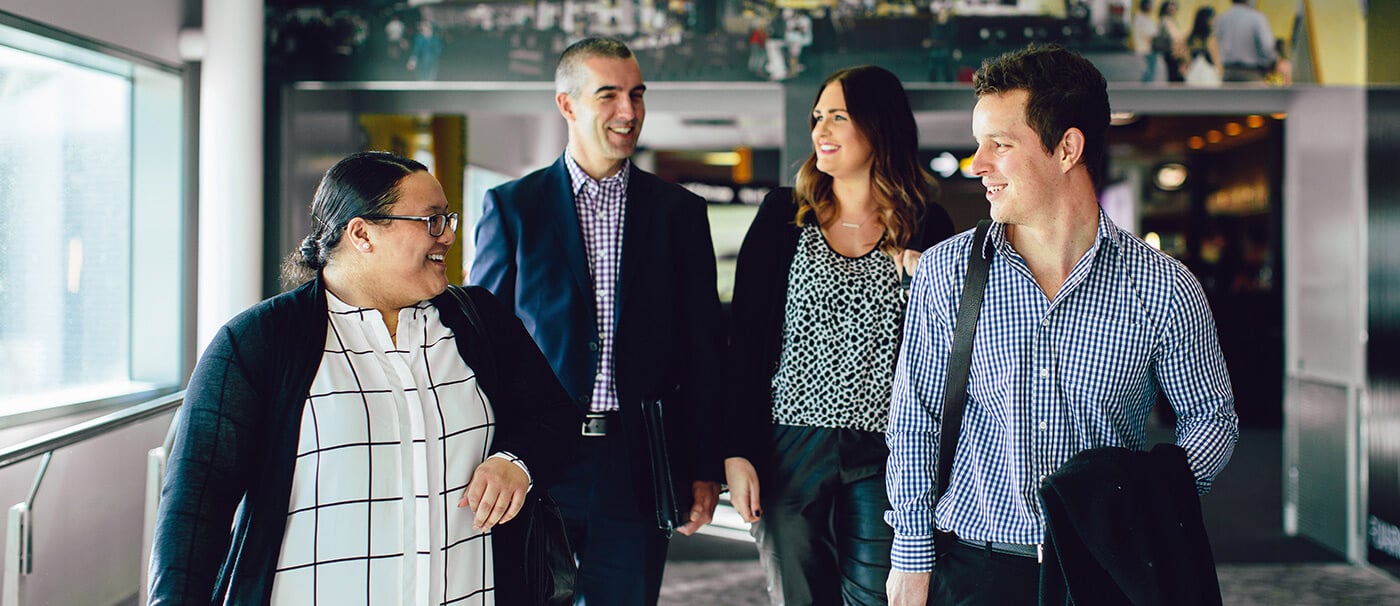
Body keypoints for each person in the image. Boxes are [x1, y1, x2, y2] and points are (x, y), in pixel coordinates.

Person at [884, 44, 1239, 605]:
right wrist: (911, 551)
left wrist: (1134, 511)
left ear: (1067, 148)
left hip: (1103, 573)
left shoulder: (1163, 287)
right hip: (977, 566)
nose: (978, 164)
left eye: (1000, 145)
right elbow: (915, 418)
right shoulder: (948, 272)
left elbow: (1211, 419)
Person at [148, 151, 580, 604]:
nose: (449, 235)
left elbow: (554, 418)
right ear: (362, 234)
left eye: (448, 219)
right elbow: (195, 506)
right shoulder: (259, 342)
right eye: (431, 221)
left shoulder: (479, 321)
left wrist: (516, 462)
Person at [468, 37, 726, 605]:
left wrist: (705, 466)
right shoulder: (513, 208)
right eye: (608, 94)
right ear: (567, 104)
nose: (628, 111)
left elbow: (703, 346)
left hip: (636, 461)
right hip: (534, 456)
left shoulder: (680, 213)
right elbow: (481, 344)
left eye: (636, 94)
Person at [723, 65, 954, 606]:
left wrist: (929, 282)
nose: (821, 130)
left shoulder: (927, 225)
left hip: (888, 448)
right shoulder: (784, 214)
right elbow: (745, 339)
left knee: (881, 596)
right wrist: (736, 451)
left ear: (878, 127)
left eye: (839, 117)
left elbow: (951, 350)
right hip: (789, 443)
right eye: (817, 117)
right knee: (799, 596)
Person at [1215, 0, 1277, 83]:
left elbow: (1215, 45)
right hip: (1251, 72)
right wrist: (1269, 64)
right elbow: (1267, 47)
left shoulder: (1221, 19)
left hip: (1227, 73)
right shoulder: (1257, 18)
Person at [1184, 6, 1223, 84]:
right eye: (1213, 18)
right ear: (1207, 20)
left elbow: (1187, 60)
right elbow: (1217, 61)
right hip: (1209, 79)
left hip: (1193, 77)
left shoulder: (1190, 37)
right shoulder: (1210, 39)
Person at [1155, 0, 1187, 82]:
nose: (1173, 8)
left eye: (1174, 6)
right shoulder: (1166, 21)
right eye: (1170, 6)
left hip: (1173, 54)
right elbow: (1175, 38)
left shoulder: (1170, 21)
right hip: (1172, 54)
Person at [1131, 0, 1161, 83]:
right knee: (1149, 73)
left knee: (1148, 72)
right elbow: (1151, 35)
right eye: (1151, 5)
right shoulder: (1142, 19)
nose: (1152, 8)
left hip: (1145, 49)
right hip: (1146, 49)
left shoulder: (1141, 17)